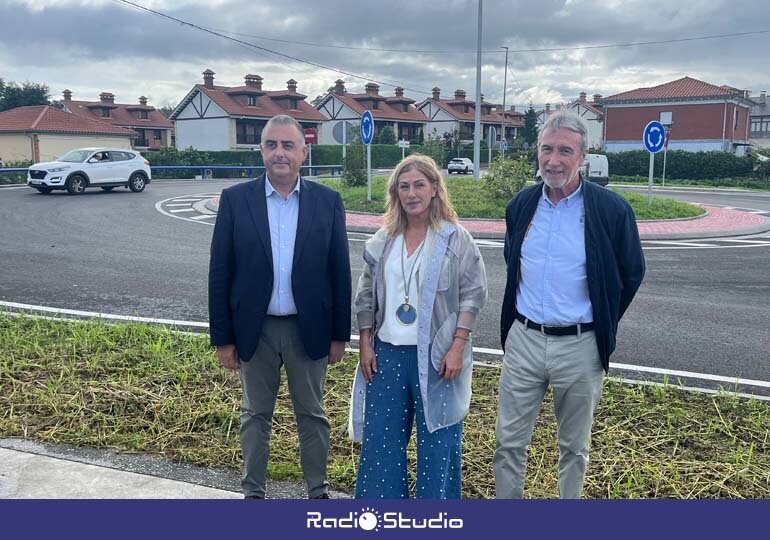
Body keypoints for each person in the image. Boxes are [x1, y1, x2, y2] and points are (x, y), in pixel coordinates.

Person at [494, 111, 645, 499]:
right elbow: (513, 260)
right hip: (525, 340)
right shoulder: (521, 205)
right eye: (547, 149)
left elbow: (631, 273)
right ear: (537, 152)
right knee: (508, 444)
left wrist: (602, 319)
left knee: (574, 448)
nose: (554, 160)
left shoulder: (611, 210)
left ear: (583, 156)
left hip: (581, 345)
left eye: (565, 150)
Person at [208, 114, 352, 499]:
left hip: (309, 329)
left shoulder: (327, 202)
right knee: (255, 416)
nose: (279, 153)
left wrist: (340, 334)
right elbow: (220, 271)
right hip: (255, 329)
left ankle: (318, 493)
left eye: (288, 145)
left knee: (313, 416)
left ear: (304, 152)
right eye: (272, 145)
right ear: (261, 150)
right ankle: (253, 493)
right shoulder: (236, 201)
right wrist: (223, 338)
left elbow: (340, 272)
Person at [349, 154, 487, 499]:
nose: (411, 193)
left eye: (419, 185)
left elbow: (473, 293)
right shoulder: (382, 241)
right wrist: (366, 343)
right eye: (404, 186)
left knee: (438, 442)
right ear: (395, 193)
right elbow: (365, 295)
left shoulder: (456, 239)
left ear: (435, 189)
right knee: (381, 442)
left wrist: (457, 346)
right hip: (387, 356)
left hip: (438, 358)